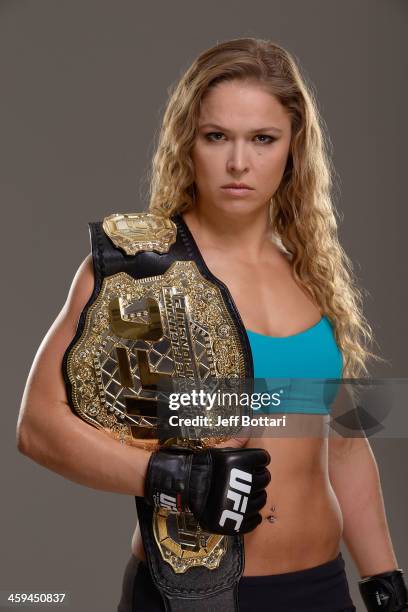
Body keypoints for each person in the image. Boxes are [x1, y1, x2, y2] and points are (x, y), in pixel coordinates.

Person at [16, 38, 406, 612]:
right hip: (197, 594)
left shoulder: (313, 273)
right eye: (217, 136)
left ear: (293, 149)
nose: (238, 163)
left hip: (322, 588)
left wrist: (384, 578)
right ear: (187, 143)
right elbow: (38, 427)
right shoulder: (140, 270)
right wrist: (168, 475)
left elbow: (344, 447)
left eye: (263, 139)